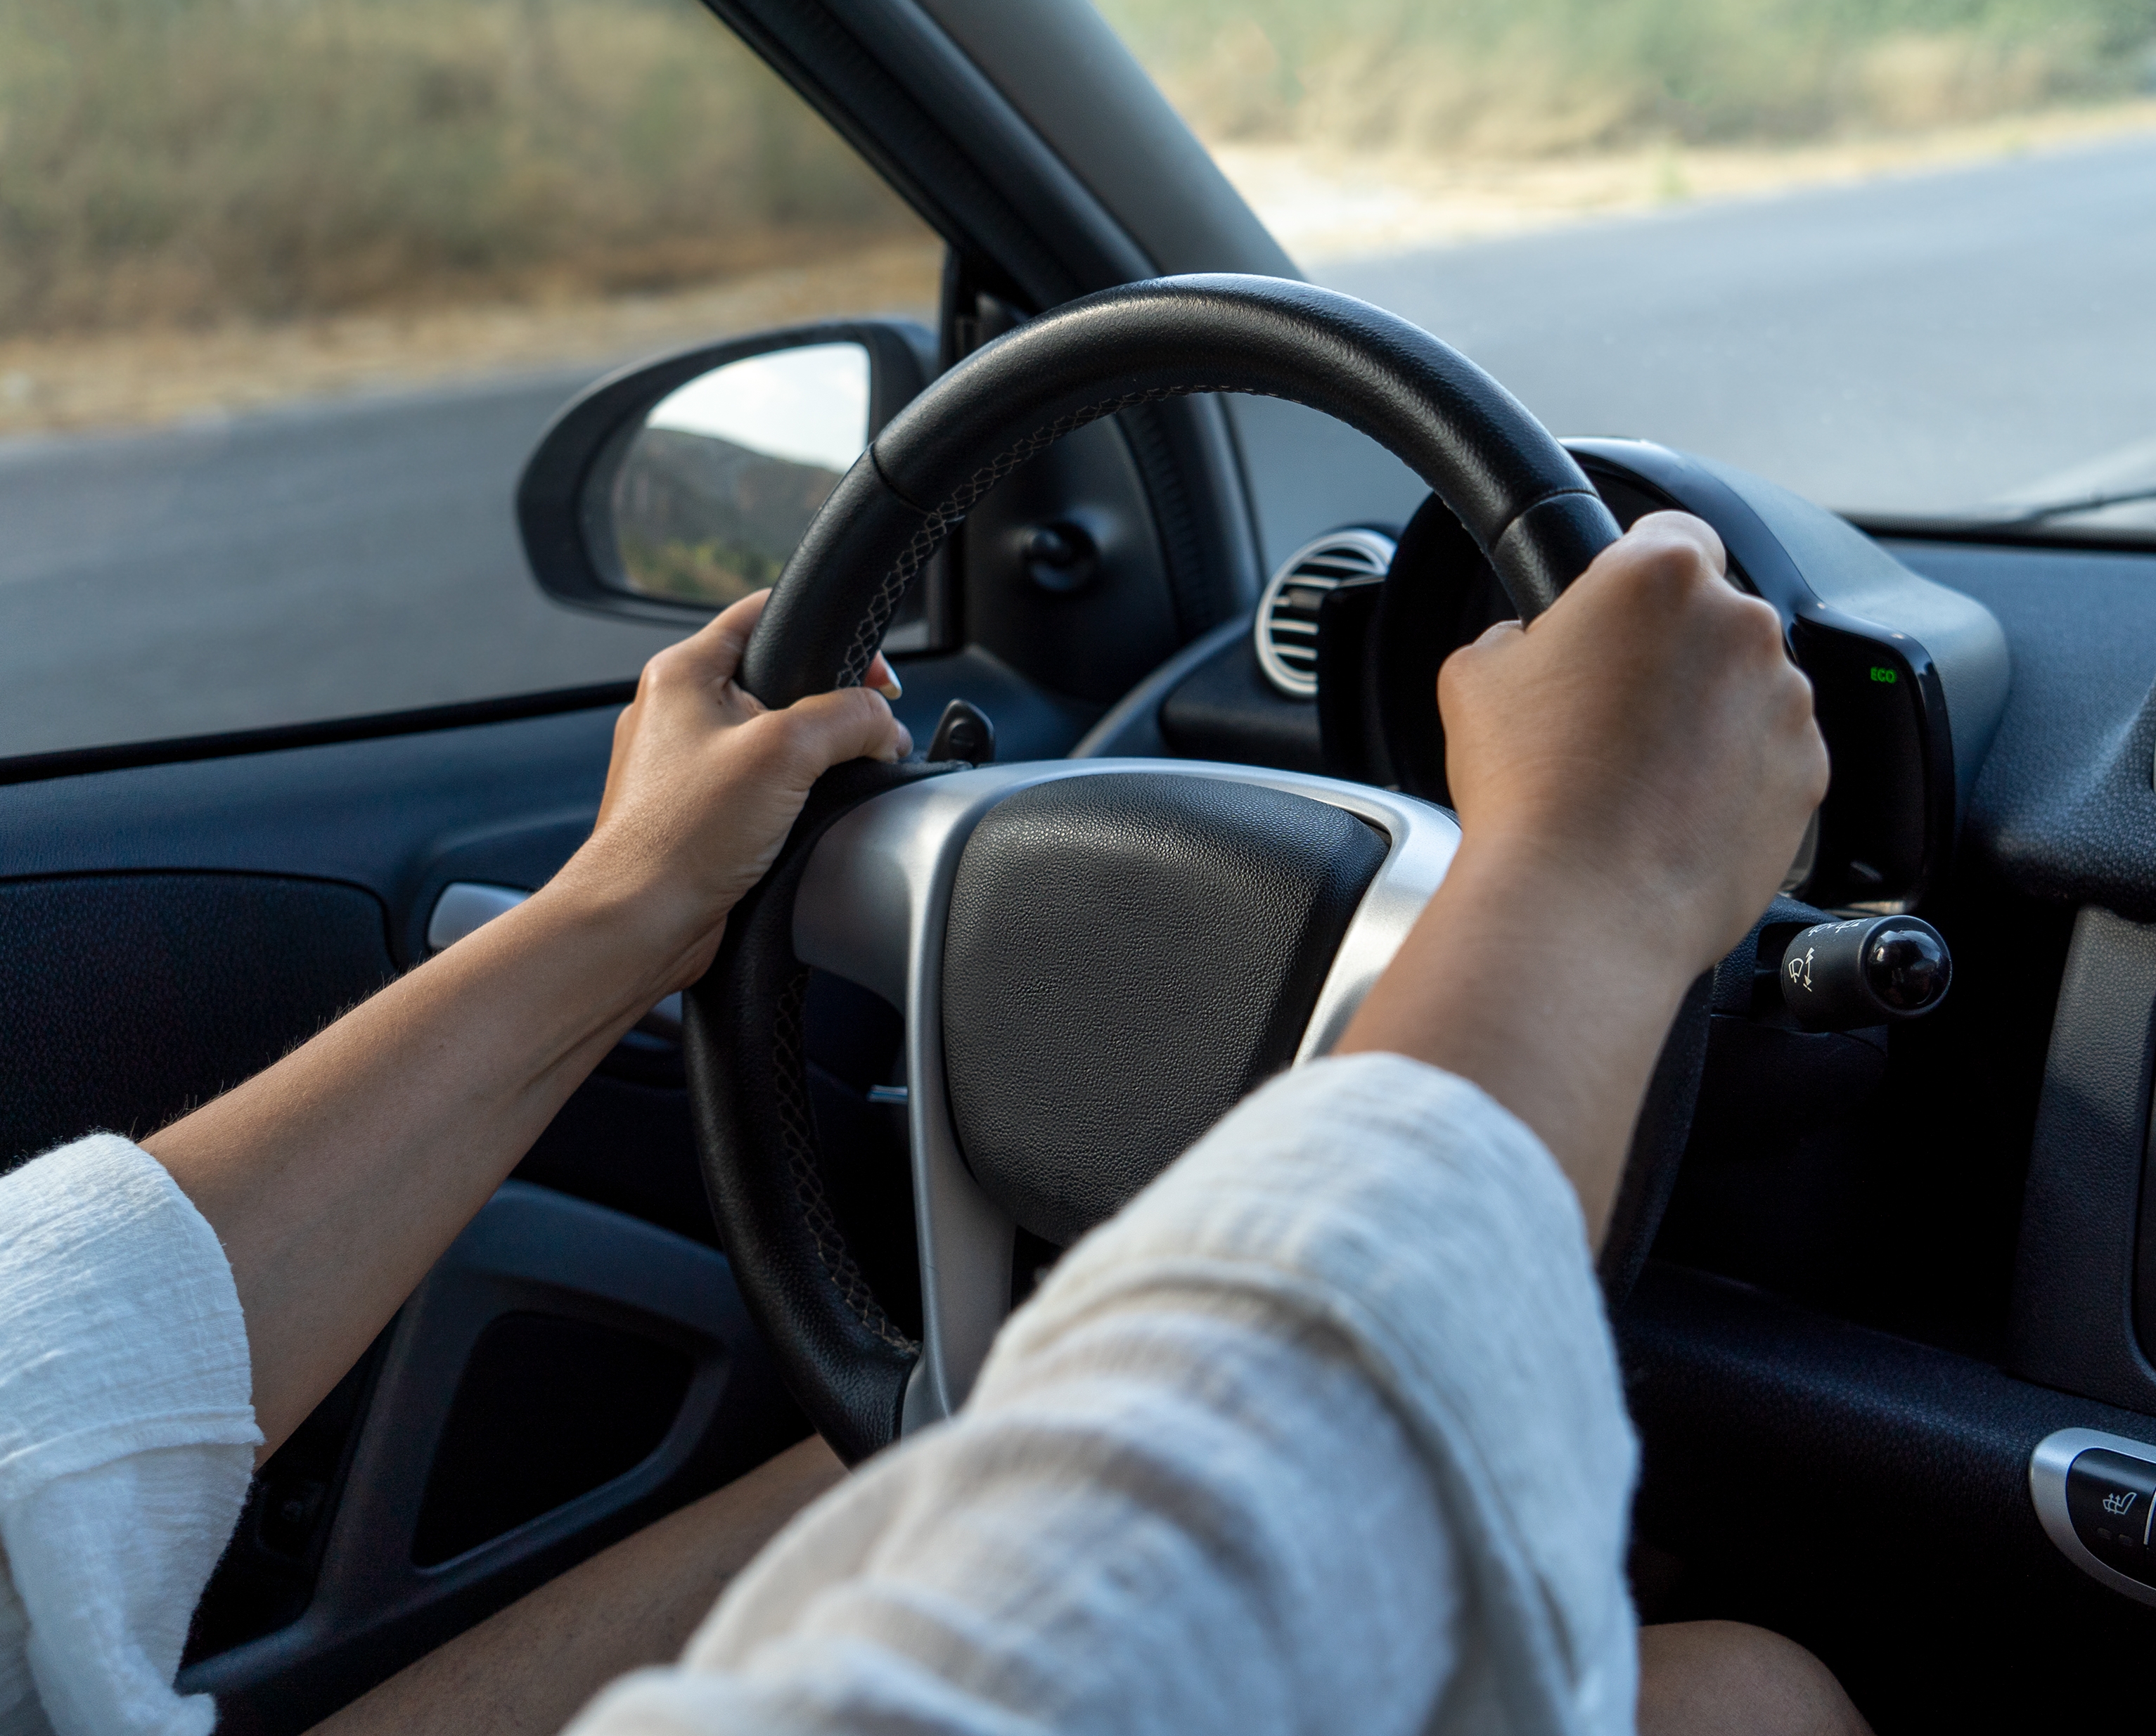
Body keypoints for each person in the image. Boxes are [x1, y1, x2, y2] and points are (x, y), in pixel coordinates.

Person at [0, 512, 1867, 1736]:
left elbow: (32, 1416)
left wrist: (621, 908)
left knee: (901, 1454)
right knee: (1747, 1705)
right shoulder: (1586, 889)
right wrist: (1580, 893)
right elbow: (1039, 1672)